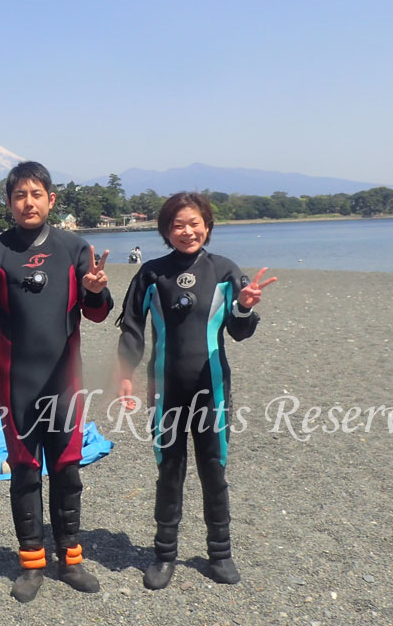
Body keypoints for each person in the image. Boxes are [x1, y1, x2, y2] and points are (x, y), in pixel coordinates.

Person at [0, 161, 113, 603]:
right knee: (26, 472)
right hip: (16, 385)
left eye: (36, 194)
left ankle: (70, 558)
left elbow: (98, 313)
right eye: (19, 196)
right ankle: (32, 561)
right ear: (9, 203)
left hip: (65, 382)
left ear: (51, 199)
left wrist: (95, 289)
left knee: (67, 470)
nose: (28, 202)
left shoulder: (74, 248)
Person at [116, 191, 277, 589]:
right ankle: (164, 555)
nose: (187, 231)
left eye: (194, 223)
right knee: (168, 471)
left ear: (207, 226)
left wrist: (243, 306)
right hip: (165, 389)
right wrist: (125, 372)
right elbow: (133, 328)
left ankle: (219, 553)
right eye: (178, 225)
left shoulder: (224, 271)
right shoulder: (151, 274)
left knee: (213, 470)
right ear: (166, 231)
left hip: (212, 389)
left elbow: (239, 332)